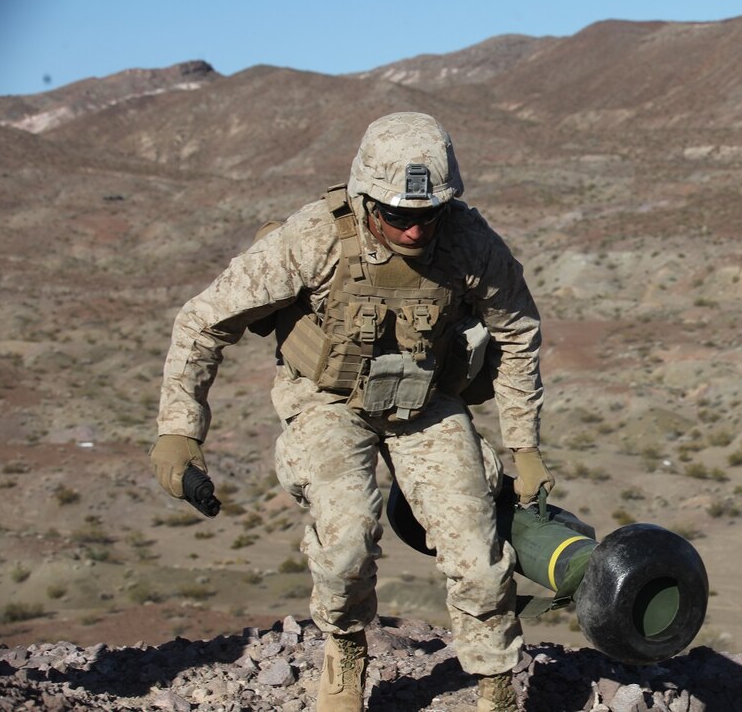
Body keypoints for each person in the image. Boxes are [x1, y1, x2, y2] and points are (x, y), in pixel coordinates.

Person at [149, 112, 554, 712]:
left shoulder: (470, 243)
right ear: (366, 199)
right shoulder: (313, 239)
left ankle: (495, 683)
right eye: (397, 216)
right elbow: (203, 320)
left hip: (423, 399)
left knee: (476, 547)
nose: (415, 231)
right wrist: (180, 430)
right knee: (346, 541)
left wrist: (522, 447)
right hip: (328, 400)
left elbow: (518, 332)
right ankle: (344, 651)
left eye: (428, 215)